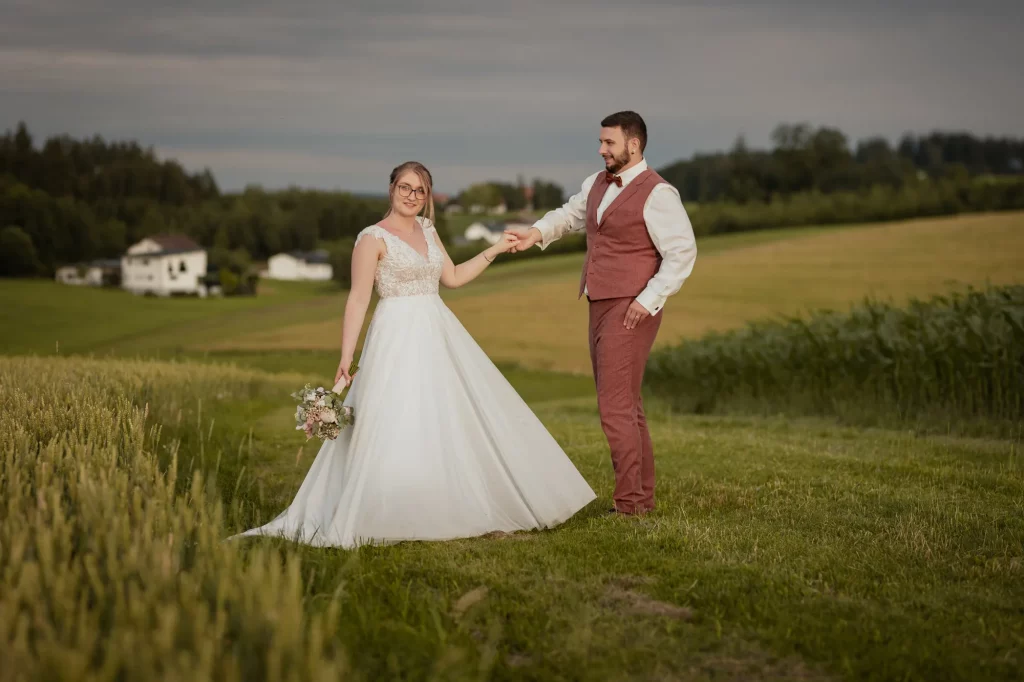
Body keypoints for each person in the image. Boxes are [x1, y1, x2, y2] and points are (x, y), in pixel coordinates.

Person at [234, 161, 596, 547]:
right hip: (395, 334)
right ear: (391, 188)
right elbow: (358, 299)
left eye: (420, 190)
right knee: (396, 414)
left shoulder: (428, 229)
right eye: (405, 187)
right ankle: (388, 506)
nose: (412, 196)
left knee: (443, 415)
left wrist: (495, 249)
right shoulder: (371, 238)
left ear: (427, 197)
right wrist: (346, 356)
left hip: (437, 332)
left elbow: (452, 278)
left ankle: (443, 499)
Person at [506, 111, 697, 516]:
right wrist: (535, 233)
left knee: (614, 407)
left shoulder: (659, 193)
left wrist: (647, 300)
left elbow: (682, 253)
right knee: (627, 404)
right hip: (599, 303)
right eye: (601, 142)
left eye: (609, 142)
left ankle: (629, 505)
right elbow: (570, 215)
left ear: (634, 144)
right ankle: (640, 499)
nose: (601, 149)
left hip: (631, 309)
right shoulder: (597, 183)